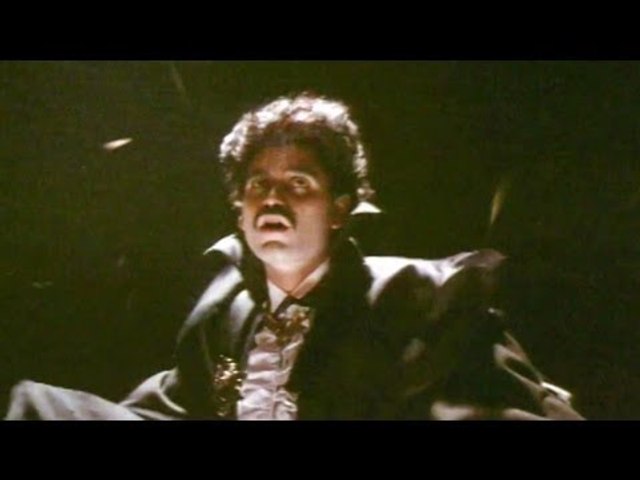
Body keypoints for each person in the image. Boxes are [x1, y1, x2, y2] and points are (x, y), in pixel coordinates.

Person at [5, 93, 582, 420]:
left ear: (339, 209)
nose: (273, 199)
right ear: (239, 212)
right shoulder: (223, 317)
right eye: (258, 185)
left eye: (298, 183)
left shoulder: (421, 300)